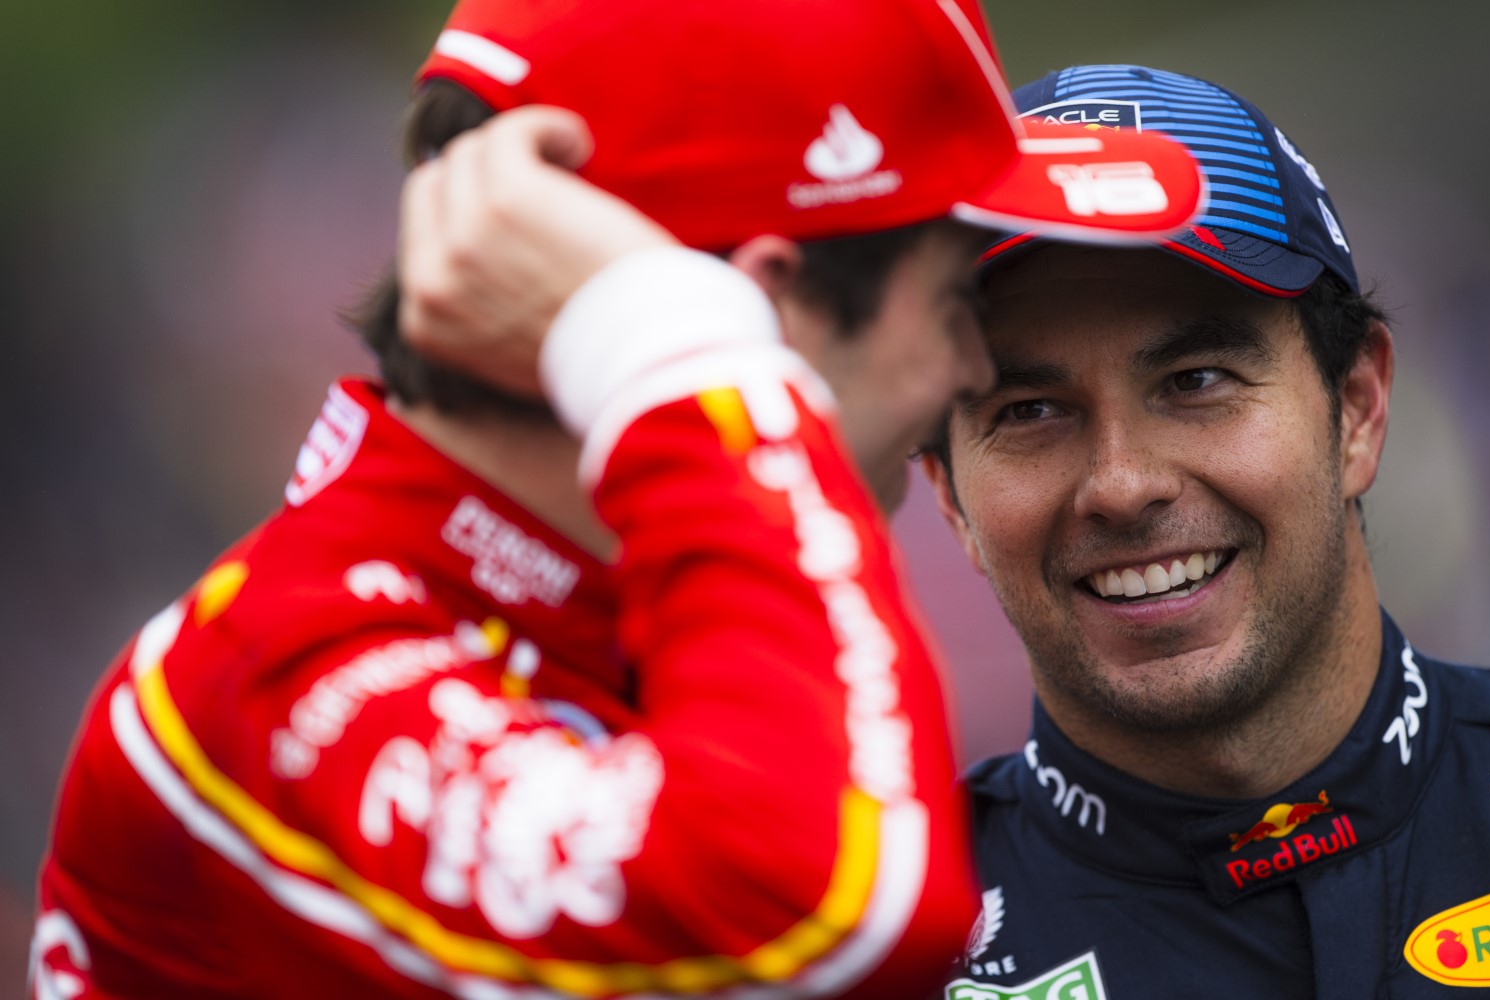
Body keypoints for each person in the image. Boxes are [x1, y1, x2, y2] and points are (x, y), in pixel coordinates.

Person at [31, 5, 1204, 997]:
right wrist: (690, 365)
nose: (972, 369)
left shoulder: (593, 627)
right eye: (953, 300)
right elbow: (837, 898)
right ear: (761, 308)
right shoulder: (269, 675)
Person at [925, 65, 1490, 998]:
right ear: (949, 498)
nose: (1122, 485)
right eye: (1030, 410)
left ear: (1356, 408)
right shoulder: (865, 946)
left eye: (1196, 381)